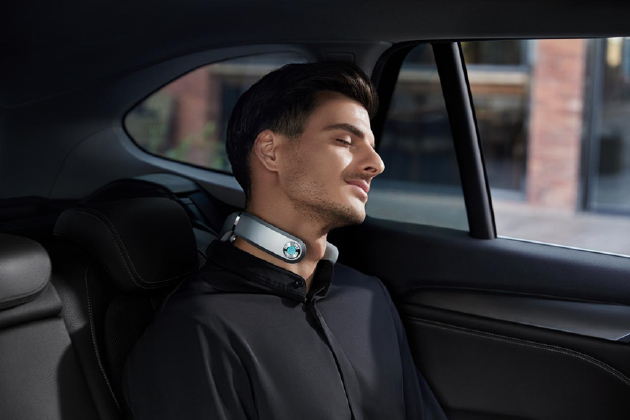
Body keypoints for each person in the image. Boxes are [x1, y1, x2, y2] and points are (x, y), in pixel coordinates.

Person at [122, 61, 448, 420]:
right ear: (270, 151)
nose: (377, 164)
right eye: (344, 140)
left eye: (371, 146)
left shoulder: (369, 297)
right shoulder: (196, 329)